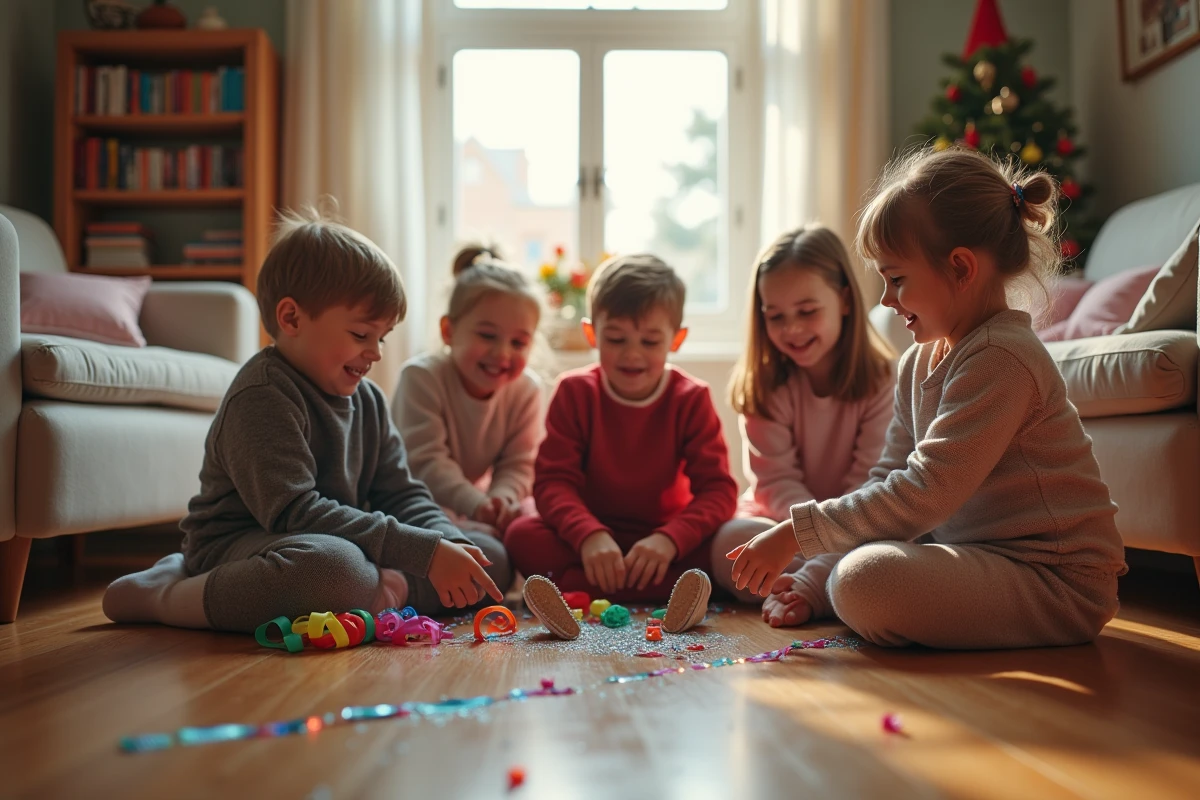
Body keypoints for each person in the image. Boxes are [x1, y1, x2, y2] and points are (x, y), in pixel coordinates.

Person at [729, 147, 1127, 649]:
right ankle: (833, 586)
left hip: (1057, 581)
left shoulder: (1002, 356)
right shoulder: (918, 362)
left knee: (863, 580)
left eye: (896, 279)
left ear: (961, 269)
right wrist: (811, 581)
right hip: (983, 560)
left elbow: (924, 493)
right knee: (856, 574)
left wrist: (795, 533)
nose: (886, 301)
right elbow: (886, 480)